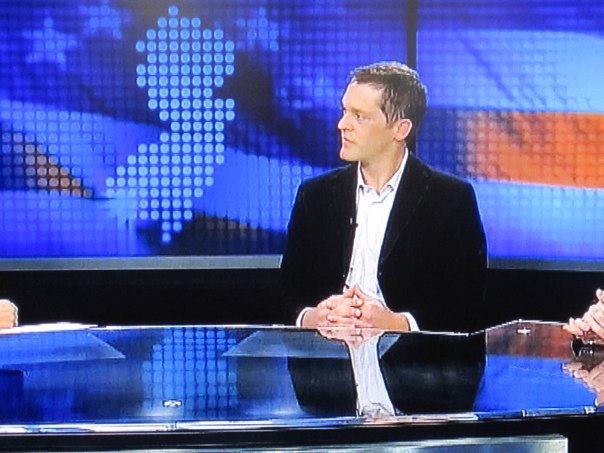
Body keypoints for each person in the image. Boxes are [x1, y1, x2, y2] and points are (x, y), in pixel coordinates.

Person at [280, 62, 487, 333]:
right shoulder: (315, 196)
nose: (342, 125)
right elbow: (286, 295)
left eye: (359, 116)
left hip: (411, 356)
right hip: (326, 353)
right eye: (344, 111)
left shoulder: (450, 200)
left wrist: (397, 324)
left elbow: (467, 305)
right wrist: (313, 318)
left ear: (400, 129)